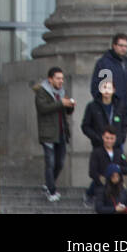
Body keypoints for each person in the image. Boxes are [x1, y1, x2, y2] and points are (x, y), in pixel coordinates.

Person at [81, 78, 127, 204]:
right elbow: (85, 126)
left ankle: (116, 197)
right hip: (99, 144)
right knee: (100, 171)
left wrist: (121, 137)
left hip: (117, 144)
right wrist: (96, 137)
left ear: (114, 90)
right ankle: (92, 193)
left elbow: (124, 124)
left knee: (116, 170)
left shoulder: (119, 106)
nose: (107, 91)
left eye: (109, 88)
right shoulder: (92, 106)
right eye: (104, 88)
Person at [34, 66, 75, 202]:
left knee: (60, 162)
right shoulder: (42, 92)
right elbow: (43, 108)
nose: (61, 81)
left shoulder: (63, 92)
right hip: (48, 133)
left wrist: (70, 106)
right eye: (58, 78)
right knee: (50, 162)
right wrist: (60, 103)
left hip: (62, 133)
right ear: (50, 79)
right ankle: (51, 191)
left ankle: (48, 184)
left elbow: (65, 111)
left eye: (62, 78)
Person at [90, 33, 127, 132]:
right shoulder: (104, 63)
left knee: (121, 138)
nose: (124, 49)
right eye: (121, 46)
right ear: (114, 45)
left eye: (126, 46)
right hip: (110, 109)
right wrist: (103, 106)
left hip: (125, 109)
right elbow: (97, 87)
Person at [88, 127, 127, 207]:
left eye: (112, 138)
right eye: (107, 138)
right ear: (103, 137)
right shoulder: (96, 152)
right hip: (102, 187)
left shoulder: (119, 152)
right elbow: (92, 172)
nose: (109, 141)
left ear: (115, 139)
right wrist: (102, 178)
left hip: (117, 187)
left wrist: (117, 168)